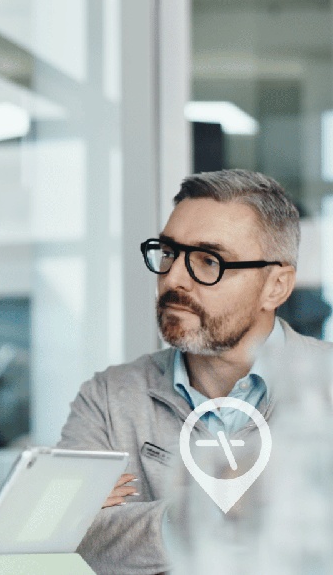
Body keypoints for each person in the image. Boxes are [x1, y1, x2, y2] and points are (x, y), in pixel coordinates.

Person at [57, 169, 333, 573]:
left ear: (276, 287)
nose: (173, 278)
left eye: (209, 260)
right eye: (168, 253)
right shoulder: (108, 398)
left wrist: (142, 527)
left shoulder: (323, 383)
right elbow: (64, 539)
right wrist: (221, 508)